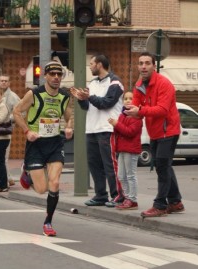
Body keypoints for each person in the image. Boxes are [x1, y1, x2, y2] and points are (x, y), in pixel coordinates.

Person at [13, 61, 73, 236]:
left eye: (59, 74)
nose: (56, 77)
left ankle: (48, 222)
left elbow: (69, 115)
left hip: (55, 143)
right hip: (36, 143)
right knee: (41, 189)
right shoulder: (34, 94)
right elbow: (16, 112)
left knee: (54, 183)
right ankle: (27, 173)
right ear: (45, 76)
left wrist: (70, 127)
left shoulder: (64, 96)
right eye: (52, 74)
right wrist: (27, 131)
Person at [124, 52, 184, 217]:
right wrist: (128, 112)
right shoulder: (139, 85)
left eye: (147, 63)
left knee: (162, 166)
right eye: (141, 63)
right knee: (163, 166)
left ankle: (160, 205)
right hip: (155, 132)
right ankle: (175, 201)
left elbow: (162, 110)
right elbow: (136, 108)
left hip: (169, 131)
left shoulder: (164, 84)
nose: (143, 66)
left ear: (153, 65)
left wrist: (140, 111)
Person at [70, 54, 124, 207]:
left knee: (110, 164)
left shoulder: (115, 82)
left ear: (100, 64)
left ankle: (117, 195)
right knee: (94, 164)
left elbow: (106, 103)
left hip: (107, 128)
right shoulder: (92, 83)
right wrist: (81, 99)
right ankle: (101, 195)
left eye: (92, 63)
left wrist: (89, 97)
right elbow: (88, 106)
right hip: (91, 128)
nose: (90, 66)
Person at [108, 91, 142, 210]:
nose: (128, 100)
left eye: (131, 98)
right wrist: (114, 124)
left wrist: (117, 124)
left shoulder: (137, 117)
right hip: (122, 149)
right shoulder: (122, 115)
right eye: (125, 98)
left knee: (130, 175)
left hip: (131, 149)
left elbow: (129, 132)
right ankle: (127, 197)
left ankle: (132, 200)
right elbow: (119, 131)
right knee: (121, 175)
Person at [0, 74, 21, 186]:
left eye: (5, 81)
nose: (3, 82)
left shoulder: (13, 96)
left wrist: (9, 119)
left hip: (5, 128)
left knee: (3, 156)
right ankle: (8, 178)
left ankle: (5, 180)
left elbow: (22, 111)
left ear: (9, 83)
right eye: (1, 81)